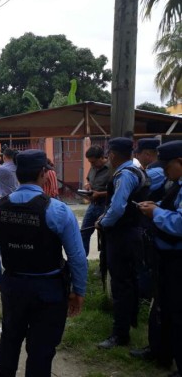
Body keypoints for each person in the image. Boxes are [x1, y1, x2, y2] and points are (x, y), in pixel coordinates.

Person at [0, 149, 87, 377]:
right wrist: (78, 290)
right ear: (43, 173)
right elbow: (77, 256)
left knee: (10, 337)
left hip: (14, 285)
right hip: (49, 290)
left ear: (18, 173)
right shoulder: (58, 210)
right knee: (42, 348)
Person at [96, 137, 150, 349]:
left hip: (122, 235)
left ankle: (120, 334)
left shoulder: (125, 175)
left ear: (114, 154)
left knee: (120, 284)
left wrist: (104, 223)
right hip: (132, 232)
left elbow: (117, 208)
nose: (108, 157)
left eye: (109, 153)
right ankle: (129, 322)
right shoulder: (137, 171)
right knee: (129, 281)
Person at [137, 140, 182, 377]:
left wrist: (156, 212)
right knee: (162, 307)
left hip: (177, 260)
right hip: (166, 256)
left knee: (176, 311)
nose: (164, 172)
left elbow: (179, 224)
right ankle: (161, 352)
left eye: (167, 167)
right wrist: (157, 206)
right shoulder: (176, 184)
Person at [80, 145, 110, 256]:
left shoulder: (111, 169)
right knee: (84, 232)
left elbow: (116, 191)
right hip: (93, 205)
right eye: (90, 163)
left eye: (93, 162)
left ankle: (104, 265)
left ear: (102, 158)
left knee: (104, 236)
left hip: (105, 206)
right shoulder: (93, 168)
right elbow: (89, 179)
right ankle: (82, 261)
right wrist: (88, 186)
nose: (92, 165)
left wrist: (99, 194)